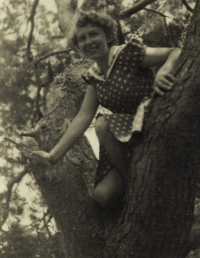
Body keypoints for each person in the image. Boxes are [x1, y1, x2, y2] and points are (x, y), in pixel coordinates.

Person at [31, 11, 181, 209]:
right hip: (123, 147)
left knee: (102, 124)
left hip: (148, 127)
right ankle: (137, 184)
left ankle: (139, 187)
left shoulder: (128, 53)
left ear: (108, 35)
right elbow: (82, 118)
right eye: (82, 39)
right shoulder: (94, 77)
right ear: (78, 47)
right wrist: (53, 155)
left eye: (94, 34)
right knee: (102, 195)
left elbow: (175, 51)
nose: (88, 41)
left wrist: (164, 70)